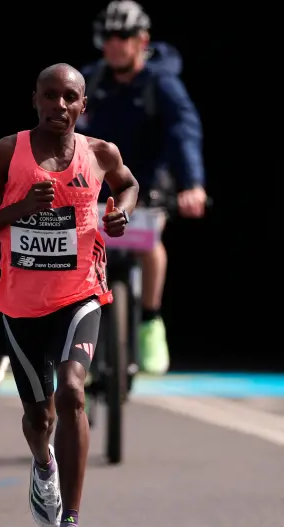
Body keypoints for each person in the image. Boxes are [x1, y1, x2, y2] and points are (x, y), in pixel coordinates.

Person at [0, 63, 139, 527]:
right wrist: (17, 211)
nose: (59, 106)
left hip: (80, 294)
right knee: (40, 416)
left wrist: (118, 210)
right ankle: (43, 465)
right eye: (50, 96)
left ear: (83, 105)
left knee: (73, 391)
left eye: (69, 98)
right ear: (34, 99)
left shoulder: (100, 153)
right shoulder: (5, 153)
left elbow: (127, 185)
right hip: (18, 303)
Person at [77, 0, 208, 374]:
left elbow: (185, 131)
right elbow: (67, 135)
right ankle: (76, 336)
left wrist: (192, 183)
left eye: (124, 36)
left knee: (149, 244)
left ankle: (151, 320)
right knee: (77, 251)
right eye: (108, 37)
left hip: (148, 187)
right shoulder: (92, 81)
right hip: (99, 188)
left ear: (142, 40)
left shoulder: (161, 83)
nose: (115, 44)